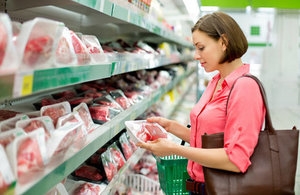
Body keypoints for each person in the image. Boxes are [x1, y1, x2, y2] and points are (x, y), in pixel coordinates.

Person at [137, 11, 266, 194]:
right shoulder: (216, 82)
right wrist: (171, 127)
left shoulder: (245, 87)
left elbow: (235, 160)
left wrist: (176, 150)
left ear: (223, 42)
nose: (196, 55)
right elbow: (211, 139)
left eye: (201, 47)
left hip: (221, 188)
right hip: (199, 187)